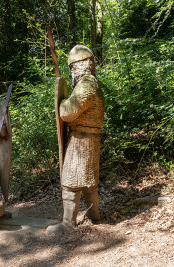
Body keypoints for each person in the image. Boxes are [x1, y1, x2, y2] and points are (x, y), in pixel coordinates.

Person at [47, 45, 105, 234]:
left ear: (78, 66)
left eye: (71, 68)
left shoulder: (87, 84)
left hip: (81, 139)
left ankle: (67, 224)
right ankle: (94, 215)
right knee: (88, 181)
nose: (71, 72)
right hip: (90, 138)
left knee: (71, 181)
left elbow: (67, 111)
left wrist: (62, 102)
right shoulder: (93, 83)